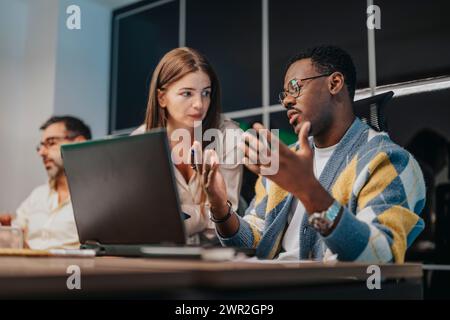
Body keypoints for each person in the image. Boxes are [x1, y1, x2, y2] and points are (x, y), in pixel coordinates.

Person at [201, 45, 426, 263]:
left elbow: (378, 256)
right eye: (285, 95)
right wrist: (220, 207)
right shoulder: (287, 160)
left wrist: (308, 190)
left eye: (295, 87)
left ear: (335, 83)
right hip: (270, 283)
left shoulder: (388, 162)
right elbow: (254, 240)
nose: (287, 101)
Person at [132, 47, 242, 243]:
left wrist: (172, 221)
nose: (199, 104)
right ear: (161, 98)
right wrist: (204, 212)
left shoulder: (229, 135)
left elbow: (224, 219)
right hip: (159, 257)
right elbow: (141, 221)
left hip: (218, 256)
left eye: (206, 93)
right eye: (187, 94)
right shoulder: (139, 141)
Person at [0, 116, 91, 250]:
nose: (41, 152)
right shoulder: (38, 195)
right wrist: (8, 232)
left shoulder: (97, 196)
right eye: (41, 146)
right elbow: (14, 232)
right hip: (26, 267)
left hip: (71, 269)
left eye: (51, 143)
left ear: (78, 143)